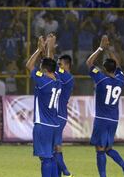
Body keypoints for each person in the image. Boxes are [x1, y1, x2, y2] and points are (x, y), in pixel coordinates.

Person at [86, 35, 124, 177]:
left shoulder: (100, 78)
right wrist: (109, 50)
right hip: (113, 119)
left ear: (104, 69)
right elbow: (118, 65)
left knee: (100, 149)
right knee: (107, 148)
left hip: (101, 119)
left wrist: (101, 48)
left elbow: (89, 63)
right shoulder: (120, 79)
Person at [26, 36, 61, 177]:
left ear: (45, 71)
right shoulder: (57, 79)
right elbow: (49, 64)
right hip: (53, 126)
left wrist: (39, 50)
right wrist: (48, 50)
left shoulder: (43, 82)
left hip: (42, 125)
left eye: (41, 69)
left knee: (45, 158)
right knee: (51, 156)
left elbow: (29, 65)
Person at [47, 34, 74, 177]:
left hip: (58, 116)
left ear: (67, 65)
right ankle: (60, 173)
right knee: (55, 146)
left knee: (55, 147)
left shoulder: (67, 77)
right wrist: (50, 47)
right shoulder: (65, 76)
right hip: (59, 115)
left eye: (60, 64)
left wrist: (50, 46)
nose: (58, 65)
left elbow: (50, 63)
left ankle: (66, 172)